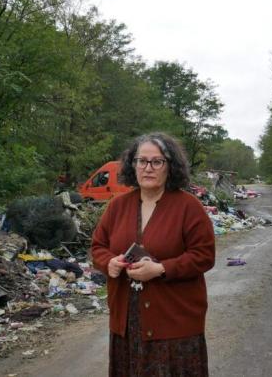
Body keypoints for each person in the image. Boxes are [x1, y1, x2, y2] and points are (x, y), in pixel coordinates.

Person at [91, 132, 216, 377]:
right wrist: (110, 263)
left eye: (157, 161)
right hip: (128, 321)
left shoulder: (189, 207)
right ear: (132, 164)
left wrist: (161, 269)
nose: (148, 168)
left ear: (170, 167)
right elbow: (98, 246)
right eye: (142, 161)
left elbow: (204, 255)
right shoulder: (117, 206)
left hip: (174, 321)